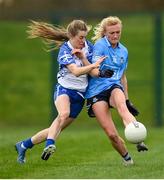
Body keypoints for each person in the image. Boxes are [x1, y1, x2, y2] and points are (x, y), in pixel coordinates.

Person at [15, 19, 114, 164]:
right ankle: (50, 145)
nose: (83, 40)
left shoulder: (89, 47)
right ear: (72, 36)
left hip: (80, 95)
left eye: (84, 37)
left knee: (55, 127)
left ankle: (23, 145)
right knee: (63, 114)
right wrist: (93, 65)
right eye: (80, 37)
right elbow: (75, 71)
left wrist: (101, 73)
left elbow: (93, 72)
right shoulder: (65, 50)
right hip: (64, 89)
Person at [85, 16, 148, 166]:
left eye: (117, 32)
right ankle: (127, 159)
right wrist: (100, 72)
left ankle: (139, 139)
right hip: (96, 91)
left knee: (123, 108)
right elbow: (93, 69)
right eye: (111, 33)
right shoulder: (100, 46)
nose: (115, 35)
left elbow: (122, 76)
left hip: (114, 86)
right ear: (105, 33)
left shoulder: (124, 51)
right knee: (112, 134)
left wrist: (127, 99)